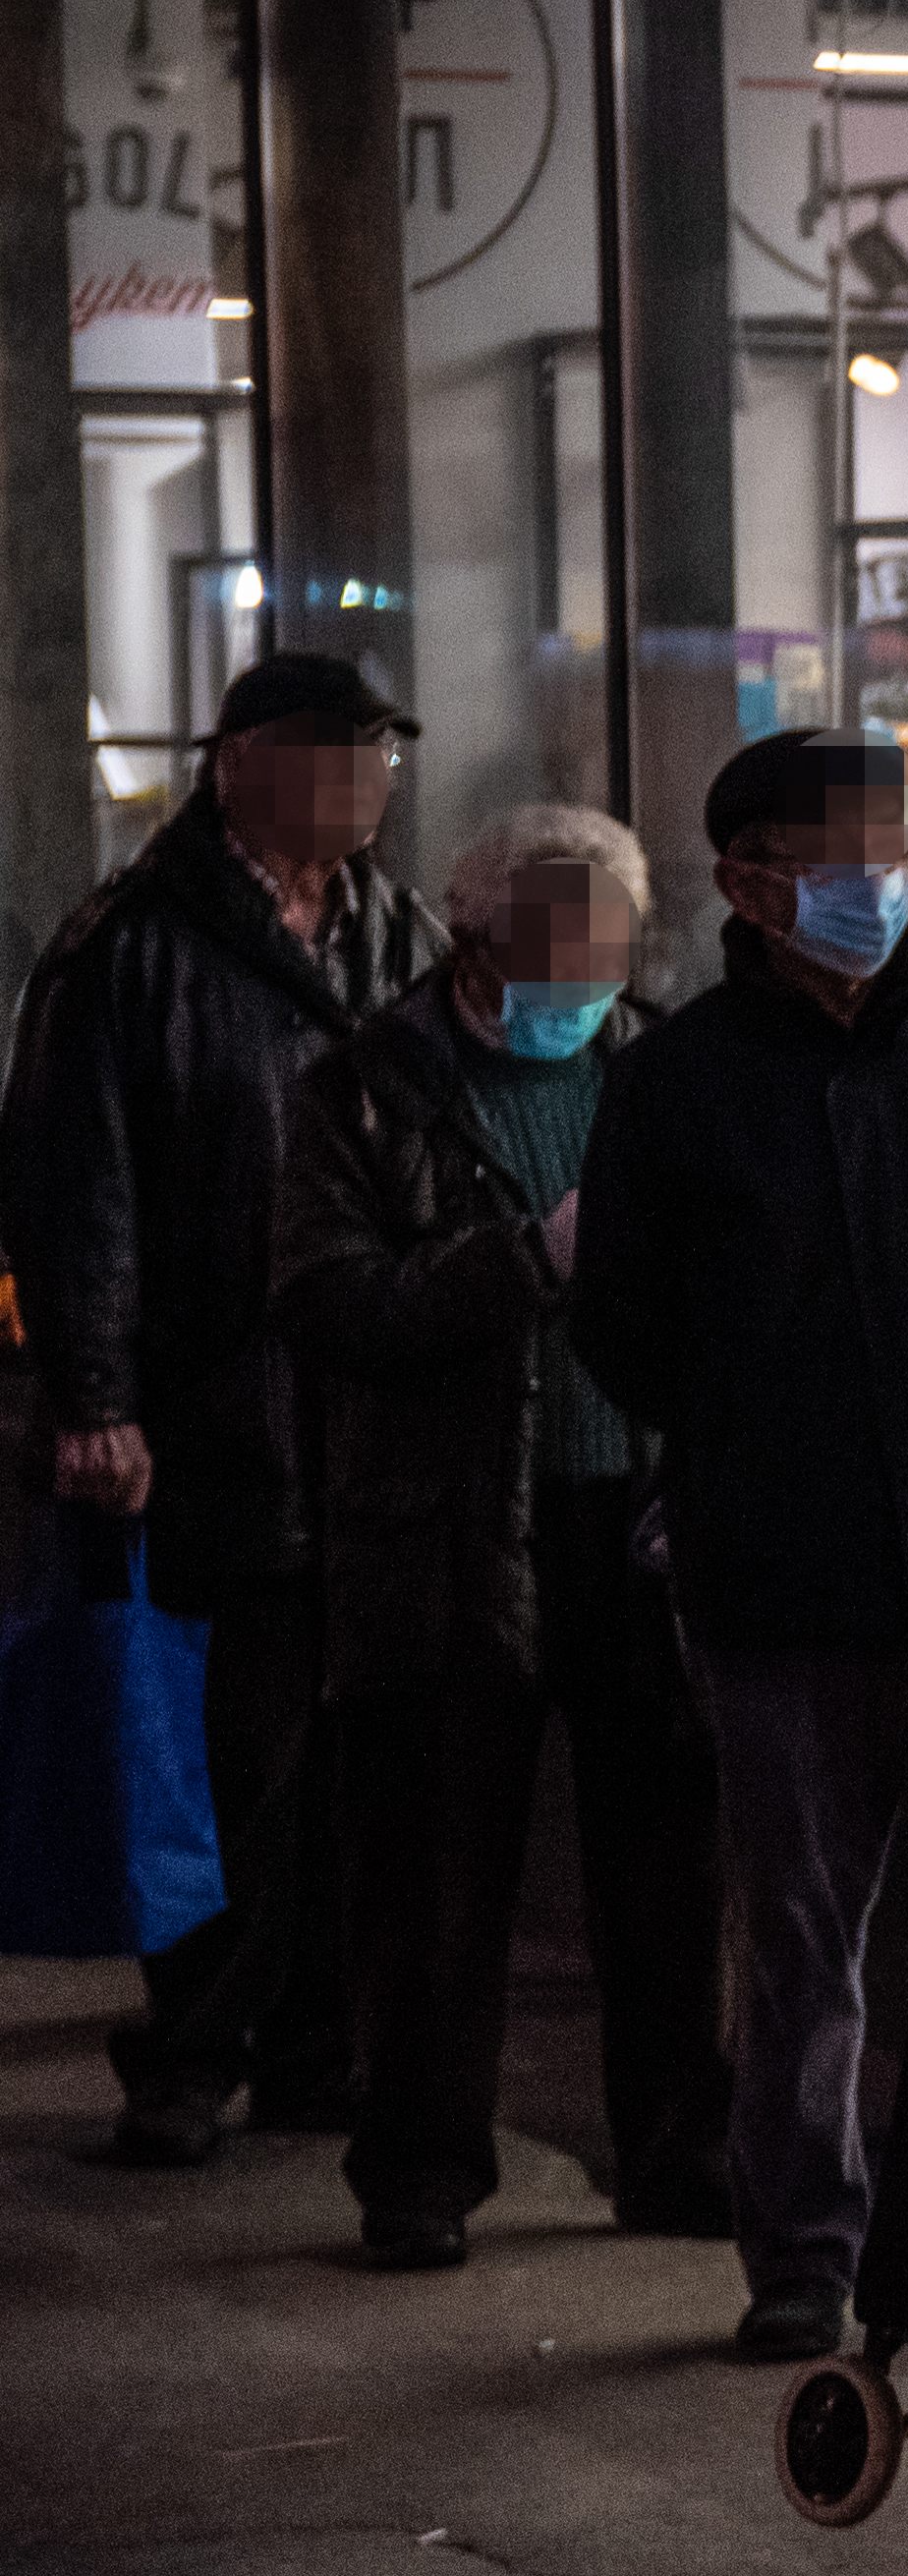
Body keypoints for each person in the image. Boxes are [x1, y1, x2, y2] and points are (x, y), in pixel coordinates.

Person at [570, 728, 908, 2364]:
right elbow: (622, 1328)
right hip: (781, 1578)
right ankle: (804, 2247)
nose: (879, 876)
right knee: (802, 1934)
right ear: (745, 879)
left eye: (890, 842)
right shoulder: (679, 1077)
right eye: (838, 849)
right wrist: (757, 1431)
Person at [0, 650, 442, 2167]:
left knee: (349, 1747)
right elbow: (77, 1191)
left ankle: (319, 2046)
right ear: (239, 761)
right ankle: (190, 2050)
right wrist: (95, 1395)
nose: (370, 781)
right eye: (339, 751)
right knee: (226, 1745)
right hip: (215, 1404)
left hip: (372, 1401)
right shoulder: (128, 947)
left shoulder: (402, 931)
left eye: (381, 753)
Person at [273, 802, 726, 2268]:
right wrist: (529, 1259)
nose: (586, 966)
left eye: (609, 938)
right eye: (556, 937)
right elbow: (338, 1305)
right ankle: (417, 2173)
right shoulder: (363, 1091)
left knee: (663, 1866)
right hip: (451, 1523)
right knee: (433, 1873)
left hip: (638, 1518)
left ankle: (675, 2154)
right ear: (475, 938)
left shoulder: (661, 1068)